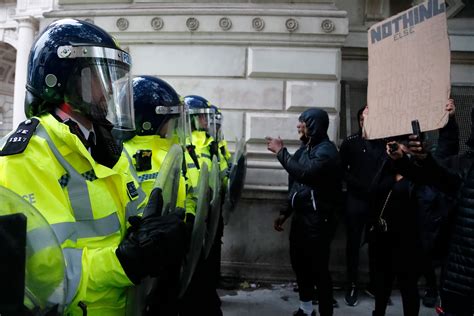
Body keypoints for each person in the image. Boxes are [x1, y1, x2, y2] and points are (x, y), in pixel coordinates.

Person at [0, 19, 187, 315]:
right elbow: (45, 279)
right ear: (64, 81)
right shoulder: (27, 157)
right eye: (100, 77)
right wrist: (124, 262)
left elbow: (130, 222)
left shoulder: (107, 147)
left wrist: (153, 233)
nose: (111, 90)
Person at [387, 104, 473, 316]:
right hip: (456, 273)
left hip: (428, 235)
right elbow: (438, 176)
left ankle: (431, 289)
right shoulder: (466, 165)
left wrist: (448, 122)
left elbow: (441, 164)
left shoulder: (443, 161)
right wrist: (407, 162)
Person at [123, 75, 197, 315]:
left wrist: (190, 216)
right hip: (146, 256)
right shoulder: (125, 155)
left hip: (170, 244)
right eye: (170, 120)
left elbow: (185, 192)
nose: (174, 126)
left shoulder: (172, 151)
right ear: (150, 120)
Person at [267, 108, 342, 316]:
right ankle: (306, 309)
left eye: (303, 123)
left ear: (314, 126)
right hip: (302, 219)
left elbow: (305, 174)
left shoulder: (327, 151)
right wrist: (285, 212)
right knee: (299, 265)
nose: (299, 126)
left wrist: (281, 151)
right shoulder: (305, 149)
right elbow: (296, 185)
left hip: (319, 221)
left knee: (319, 271)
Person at [180, 95, 223, 316]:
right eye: (202, 118)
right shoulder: (185, 144)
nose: (207, 123)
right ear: (191, 119)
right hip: (191, 215)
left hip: (207, 210)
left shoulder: (209, 142)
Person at [339, 106, 386, 306]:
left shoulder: (383, 143)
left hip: (377, 203)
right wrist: (359, 185)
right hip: (355, 201)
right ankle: (351, 285)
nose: (363, 121)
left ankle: (375, 285)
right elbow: (341, 170)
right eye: (361, 118)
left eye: (367, 117)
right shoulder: (350, 143)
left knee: (377, 245)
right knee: (353, 245)